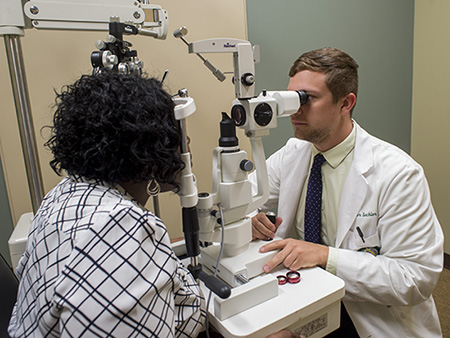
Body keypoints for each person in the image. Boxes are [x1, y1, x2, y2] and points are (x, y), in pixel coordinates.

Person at [251, 47, 444, 337]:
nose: (295, 110)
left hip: (369, 315)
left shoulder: (399, 174)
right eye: (291, 98)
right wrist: (251, 215)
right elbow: (248, 198)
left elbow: (414, 279)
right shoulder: (293, 153)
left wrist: (325, 256)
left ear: (346, 103)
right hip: (308, 295)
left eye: (308, 99)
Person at [8, 72, 205, 337]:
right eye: (178, 134)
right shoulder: (122, 229)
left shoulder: (62, 195)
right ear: (147, 153)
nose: (187, 144)